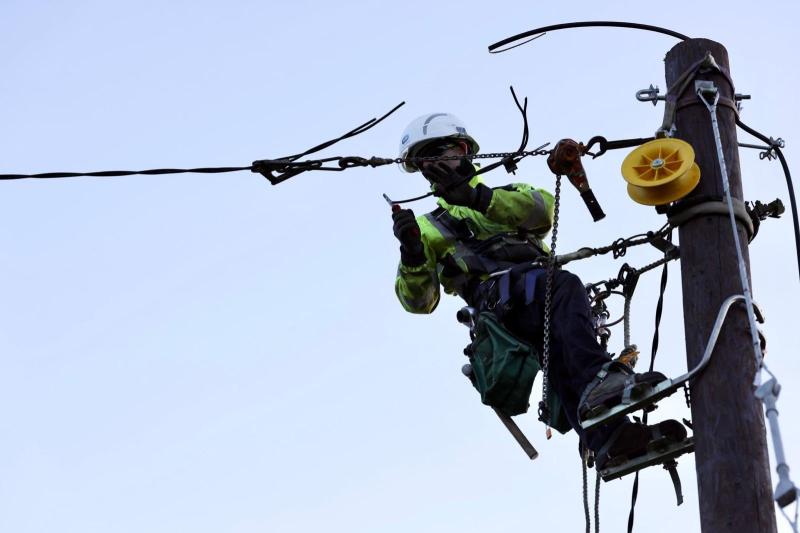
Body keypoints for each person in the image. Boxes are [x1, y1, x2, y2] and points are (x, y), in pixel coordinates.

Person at [390, 112, 686, 468]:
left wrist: (476, 198)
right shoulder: (426, 227)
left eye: (438, 153)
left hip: (533, 298)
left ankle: (610, 441)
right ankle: (601, 383)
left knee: (561, 355)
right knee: (564, 287)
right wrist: (412, 252)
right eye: (424, 161)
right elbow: (420, 302)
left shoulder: (505, 194)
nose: (432, 165)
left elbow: (543, 211)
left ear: (463, 150)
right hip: (499, 306)